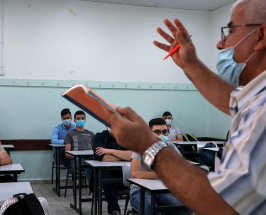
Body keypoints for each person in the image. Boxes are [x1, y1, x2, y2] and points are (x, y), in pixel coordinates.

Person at [107, 0, 266, 214]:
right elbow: (232, 99)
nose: (220, 44)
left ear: (261, 36)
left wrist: (147, 143)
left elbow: (223, 205)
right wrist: (191, 64)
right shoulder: (258, 97)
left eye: (229, 31)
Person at [130, 118, 190, 215]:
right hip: (140, 191)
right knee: (151, 209)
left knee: (184, 209)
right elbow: (135, 173)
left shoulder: (170, 146)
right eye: (157, 132)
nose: (161, 135)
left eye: (164, 131)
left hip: (163, 191)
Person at [93, 127, 132, 215]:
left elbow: (132, 155)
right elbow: (101, 157)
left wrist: (109, 151)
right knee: (107, 175)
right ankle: (114, 210)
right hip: (105, 177)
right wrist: (122, 156)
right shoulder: (100, 136)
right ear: (106, 126)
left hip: (124, 175)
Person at [64, 110, 94, 195]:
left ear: (85, 120)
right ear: (74, 120)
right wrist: (79, 157)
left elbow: (95, 150)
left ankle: (102, 189)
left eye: (82, 118)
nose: (80, 120)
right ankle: (92, 190)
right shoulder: (70, 134)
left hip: (89, 160)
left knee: (95, 165)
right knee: (88, 164)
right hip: (76, 161)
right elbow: (67, 154)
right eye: (78, 118)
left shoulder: (91, 134)